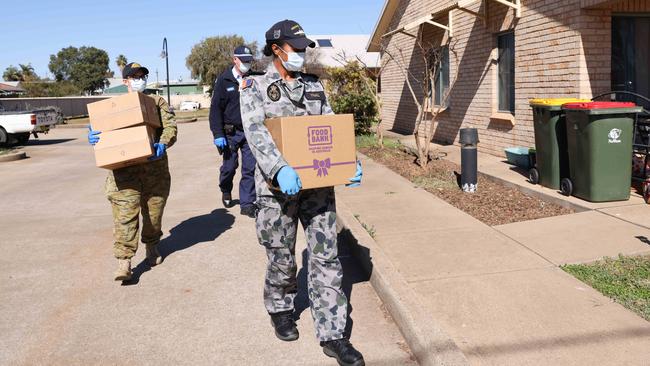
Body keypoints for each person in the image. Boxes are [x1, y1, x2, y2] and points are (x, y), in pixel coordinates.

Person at [240, 20, 364, 366]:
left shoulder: (314, 86)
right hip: (276, 188)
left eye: (302, 48)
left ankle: (334, 334)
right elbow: (255, 131)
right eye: (295, 48)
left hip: (318, 188)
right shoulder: (254, 85)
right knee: (281, 256)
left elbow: (330, 127)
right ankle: (280, 307)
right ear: (277, 49)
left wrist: (348, 161)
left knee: (326, 257)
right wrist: (279, 167)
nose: (301, 54)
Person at [88, 62, 177, 282]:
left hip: (154, 170)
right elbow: (100, 130)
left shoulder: (156, 102)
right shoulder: (112, 107)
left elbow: (171, 127)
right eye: (135, 76)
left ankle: (152, 246)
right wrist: (93, 137)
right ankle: (124, 262)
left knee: (153, 215)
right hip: (123, 173)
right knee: (125, 217)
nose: (140, 79)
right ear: (126, 81)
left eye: (142, 76)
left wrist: (163, 143)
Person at [209, 45, 259, 218]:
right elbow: (215, 109)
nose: (247, 64)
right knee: (229, 167)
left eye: (249, 61)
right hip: (230, 133)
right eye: (243, 61)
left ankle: (247, 203)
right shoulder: (224, 80)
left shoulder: (254, 78)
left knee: (250, 168)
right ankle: (225, 188)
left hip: (250, 131)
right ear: (234, 60)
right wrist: (218, 134)